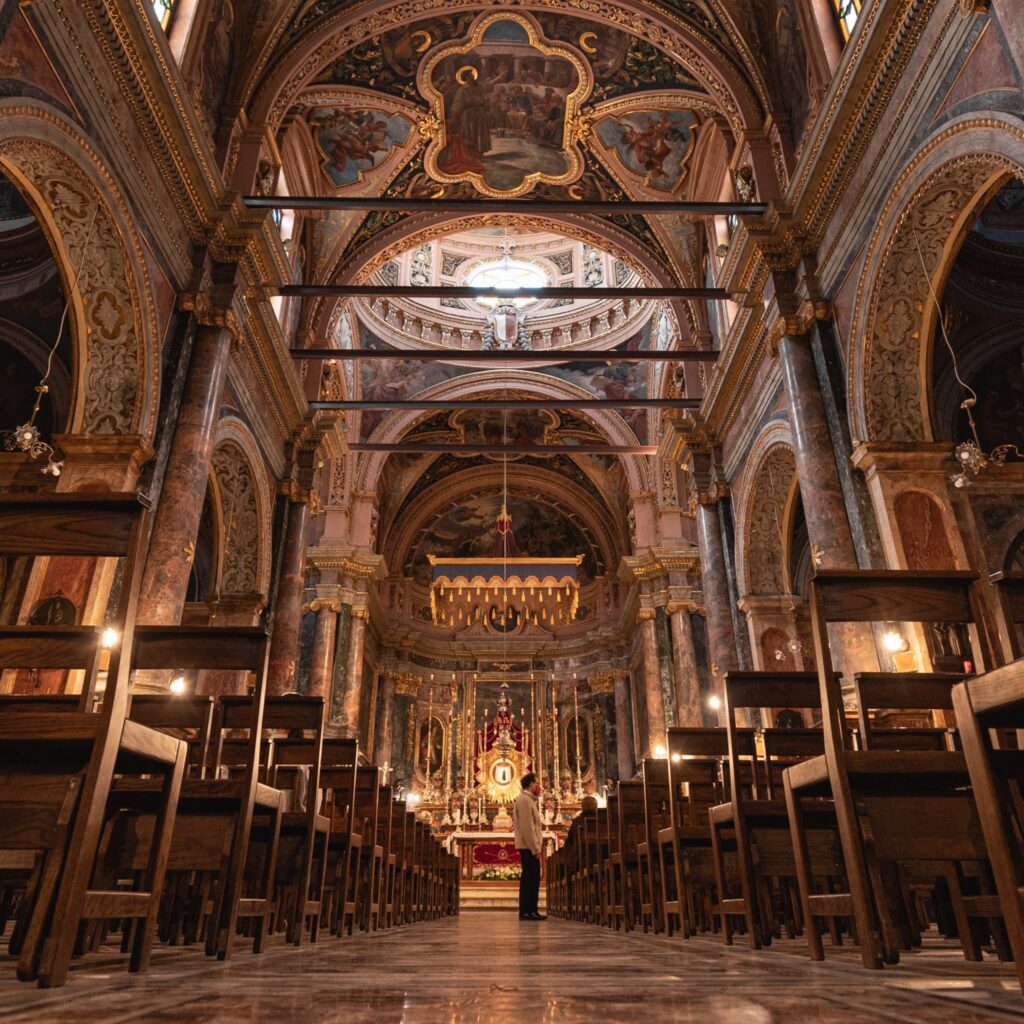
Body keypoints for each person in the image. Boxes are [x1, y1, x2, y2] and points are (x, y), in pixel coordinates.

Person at [513, 772, 545, 920]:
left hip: (530, 846)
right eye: (536, 783)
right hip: (528, 847)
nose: (538, 786)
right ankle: (527, 911)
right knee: (529, 879)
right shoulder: (525, 800)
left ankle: (532, 910)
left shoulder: (529, 800)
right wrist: (535, 848)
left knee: (533, 878)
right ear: (530, 784)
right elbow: (527, 827)